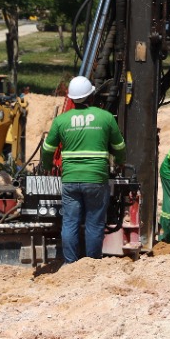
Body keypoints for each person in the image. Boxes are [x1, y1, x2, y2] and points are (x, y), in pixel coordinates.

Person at [42, 75, 126, 263]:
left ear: (71, 99)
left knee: (70, 222)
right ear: (91, 96)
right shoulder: (105, 118)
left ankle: (70, 263)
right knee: (94, 223)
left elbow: (47, 149)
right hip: (96, 180)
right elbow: (119, 147)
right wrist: (120, 162)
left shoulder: (61, 121)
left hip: (70, 180)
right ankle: (92, 263)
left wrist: (47, 167)